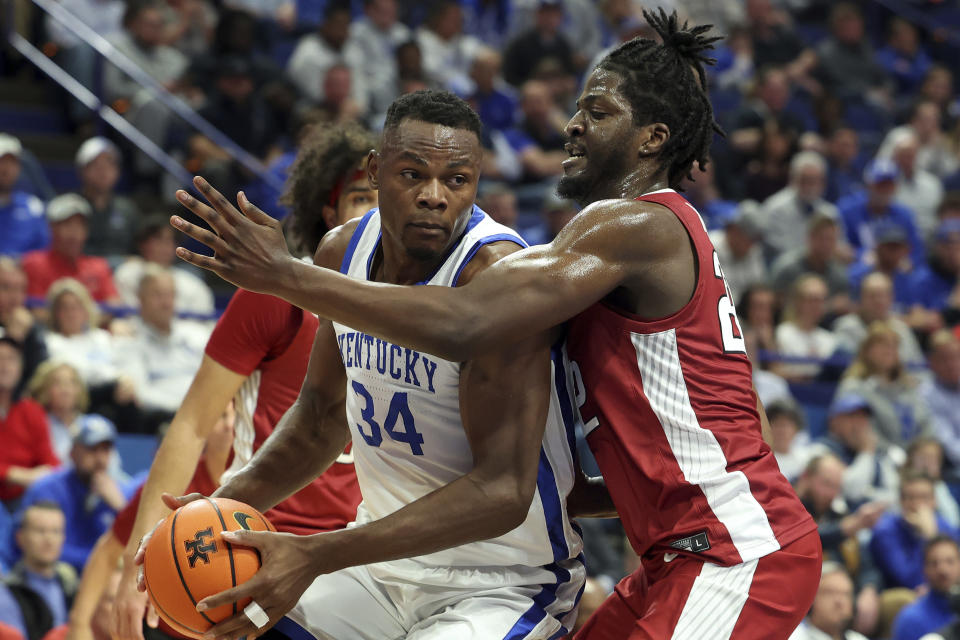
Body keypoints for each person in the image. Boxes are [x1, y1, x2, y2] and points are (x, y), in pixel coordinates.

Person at [171, 12, 822, 638]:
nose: (572, 126)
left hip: (731, 552)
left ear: (651, 138)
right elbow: (740, 421)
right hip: (673, 553)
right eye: (578, 109)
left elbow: (469, 320)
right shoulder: (614, 253)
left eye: (597, 112)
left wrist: (288, 275)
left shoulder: (636, 224)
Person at [150, 89, 585, 640]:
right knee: (224, 619)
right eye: (412, 175)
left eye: (457, 180)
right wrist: (219, 511)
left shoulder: (498, 276)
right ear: (376, 171)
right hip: (379, 568)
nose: (435, 196)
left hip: (499, 582)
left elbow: (501, 493)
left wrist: (318, 553)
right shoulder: (343, 253)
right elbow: (321, 419)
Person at [108, 123, 374, 640]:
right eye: (361, 198)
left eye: (384, 201)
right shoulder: (275, 297)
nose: (373, 214)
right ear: (329, 212)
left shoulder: (416, 314)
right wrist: (132, 564)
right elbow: (191, 423)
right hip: (251, 542)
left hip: (350, 557)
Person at [15, 416, 128, 572]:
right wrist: (100, 559)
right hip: (52, 574)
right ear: (73, 452)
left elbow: (136, 546)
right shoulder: (47, 489)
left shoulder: (118, 492)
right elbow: (35, 546)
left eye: (106, 450)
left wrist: (121, 508)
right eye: (92, 449)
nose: (100, 458)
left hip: (99, 579)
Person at [113, 266, 211, 423]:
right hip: (163, 421)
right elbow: (140, 395)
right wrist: (185, 408)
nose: (166, 303)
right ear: (141, 299)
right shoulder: (129, 341)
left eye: (170, 295)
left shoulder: (197, 335)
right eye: (158, 295)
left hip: (207, 417)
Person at [20, 196, 120, 305]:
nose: (74, 233)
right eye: (67, 224)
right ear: (52, 228)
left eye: (80, 225)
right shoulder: (35, 264)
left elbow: (115, 306)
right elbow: (36, 311)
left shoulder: (99, 267)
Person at [870, 471, 960, 590]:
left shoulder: (944, 525)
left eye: (924, 498)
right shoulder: (885, 532)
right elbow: (911, 581)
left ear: (935, 501)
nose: (917, 505)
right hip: (905, 596)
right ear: (901, 502)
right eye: (910, 498)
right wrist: (928, 537)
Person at [113, 216, 215, 317]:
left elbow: (204, 320)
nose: (165, 246)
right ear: (142, 244)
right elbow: (126, 313)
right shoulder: (127, 273)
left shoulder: (192, 283)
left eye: (170, 241)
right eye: (158, 239)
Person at [4, 502, 76, 640]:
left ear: (63, 538)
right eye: (40, 531)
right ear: (20, 538)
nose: (49, 539)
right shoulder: (8, 592)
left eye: (56, 531)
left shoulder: (70, 585)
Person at [0, 337, 58, 507]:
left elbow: (50, 463)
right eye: (0, 358)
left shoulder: (32, 410)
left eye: (11, 359)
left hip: (26, 500)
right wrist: (12, 474)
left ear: (20, 368)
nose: (4, 366)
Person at [73, 138, 139, 260]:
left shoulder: (127, 208)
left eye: (110, 165)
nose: (104, 171)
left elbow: (137, 249)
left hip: (122, 272)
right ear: (82, 170)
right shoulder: (71, 207)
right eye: (96, 165)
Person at [891, 537, 960, 640]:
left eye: (950, 561)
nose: (943, 570)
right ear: (924, 569)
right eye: (934, 563)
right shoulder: (911, 620)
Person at [0, 259, 47, 398]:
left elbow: (38, 380)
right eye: (5, 287)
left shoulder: (31, 329)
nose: (15, 297)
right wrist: (12, 339)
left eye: (21, 290)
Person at [788, 562, 869, 640]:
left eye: (846, 594)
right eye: (830, 592)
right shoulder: (792, 637)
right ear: (811, 599)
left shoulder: (858, 638)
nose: (839, 601)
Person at [0, 135, 48, 258]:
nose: (6, 168)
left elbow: (43, 253)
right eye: (1, 162)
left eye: (11, 162)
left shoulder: (33, 207)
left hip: (24, 274)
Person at [922, 330, 960, 469]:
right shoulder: (926, 395)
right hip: (951, 467)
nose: (953, 364)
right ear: (932, 362)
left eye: (956, 357)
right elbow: (948, 445)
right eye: (945, 359)